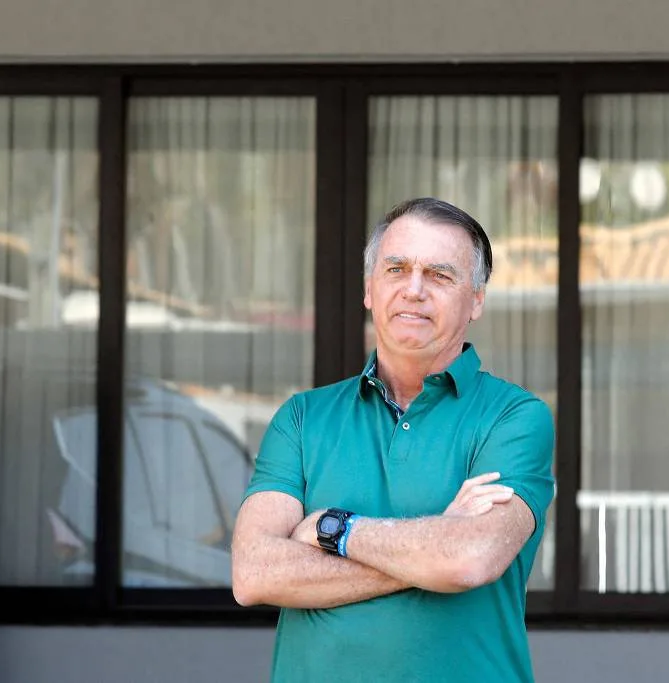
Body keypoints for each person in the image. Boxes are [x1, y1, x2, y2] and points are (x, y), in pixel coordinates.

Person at [232, 197, 556, 683]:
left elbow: (470, 559)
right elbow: (254, 574)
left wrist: (332, 530)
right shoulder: (302, 419)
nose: (414, 289)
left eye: (440, 275)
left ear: (476, 300)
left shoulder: (514, 417)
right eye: (396, 269)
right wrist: (434, 547)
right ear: (369, 289)